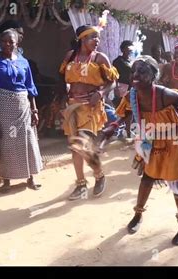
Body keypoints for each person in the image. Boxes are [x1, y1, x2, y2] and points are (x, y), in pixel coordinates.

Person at [106, 56, 178, 245]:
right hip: (152, 141)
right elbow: (127, 112)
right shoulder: (133, 94)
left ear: (153, 75)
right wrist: (113, 126)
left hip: (176, 142)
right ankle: (138, 214)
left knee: (175, 182)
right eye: (134, 71)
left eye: (142, 71)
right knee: (147, 178)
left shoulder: (164, 94)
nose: (136, 75)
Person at [59, 24, 119, 200]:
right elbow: (62, 79)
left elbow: (112, 82)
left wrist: (101, 93)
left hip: (90, 107)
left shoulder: (100, 58)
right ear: (82, 39)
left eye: (98, 37)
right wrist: (61, 100)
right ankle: (81, 184)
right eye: (93, 37)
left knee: (82, 144)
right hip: (72, 106)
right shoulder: (70, 56)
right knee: (75, 148)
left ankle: (99, 175)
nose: (97, 40)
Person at [0, 29, 42, 192]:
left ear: (17, 43)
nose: (7, 45)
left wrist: (35, 109)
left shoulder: (24, 62)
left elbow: (30, 87)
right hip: (4, 106)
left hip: (23, 106)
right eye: (3, 41)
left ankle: (31, 177)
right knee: (8, 142)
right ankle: (7, 179)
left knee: (28, 140)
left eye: (11, 42)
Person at [112, 40, 133, 137]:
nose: (130, 51)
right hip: (121, 87)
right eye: (128, 49)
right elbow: (114, 75)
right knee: (121, 110)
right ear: (123, 49)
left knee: (130, 109)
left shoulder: (131, 61)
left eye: (131, 49)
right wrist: (116, 88)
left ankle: (128, 131)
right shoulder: (118, 61)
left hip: (130, 88)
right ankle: (119, 131)